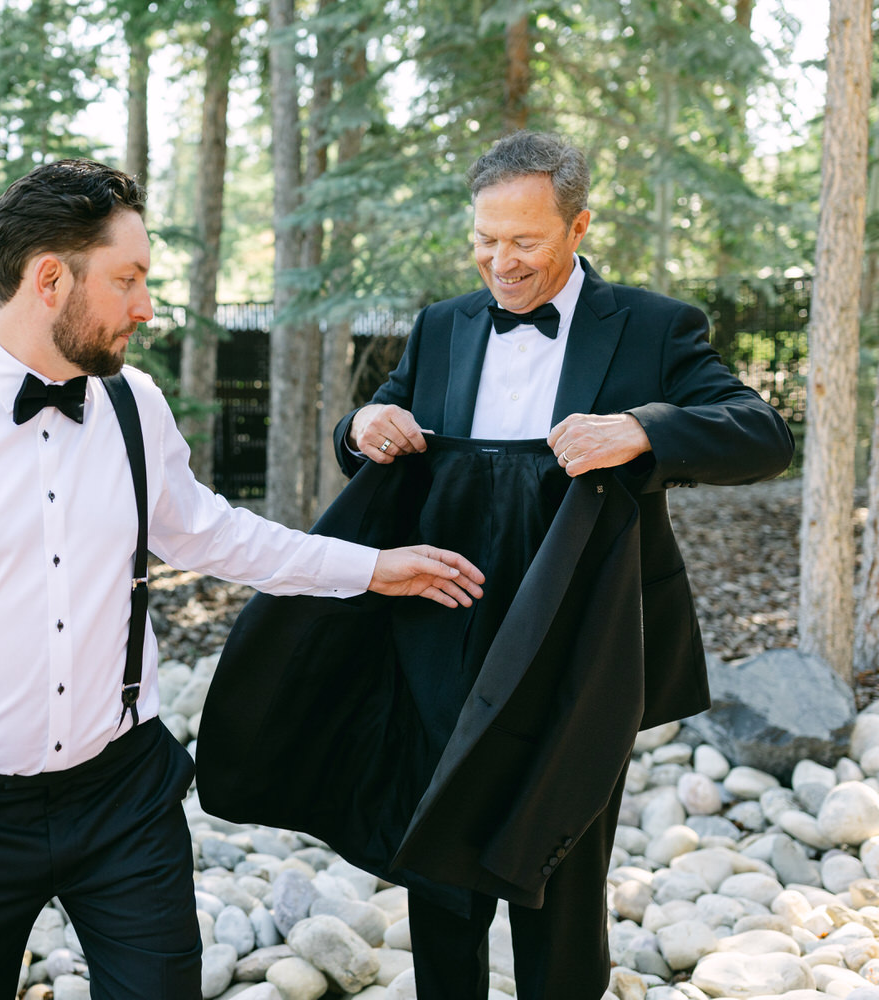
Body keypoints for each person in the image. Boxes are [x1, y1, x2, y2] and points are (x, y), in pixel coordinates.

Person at [0, 158, 485, 1000]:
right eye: (129, 279)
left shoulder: (133, 403)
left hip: (123, 797)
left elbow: (211, 531)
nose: (147, 307)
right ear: (48, 279)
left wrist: (369, 569)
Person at [332, 131, 794, 999]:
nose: (499, 263)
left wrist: (645, 428)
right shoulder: (441, 326)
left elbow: (763, 434)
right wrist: (360, 427)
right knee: (438, 859)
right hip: (443, 620)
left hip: (581, 635)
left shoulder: (654, 327)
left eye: (524, 242)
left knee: (562, 870)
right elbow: (383, 417)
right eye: (483, 239)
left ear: (578, 225)